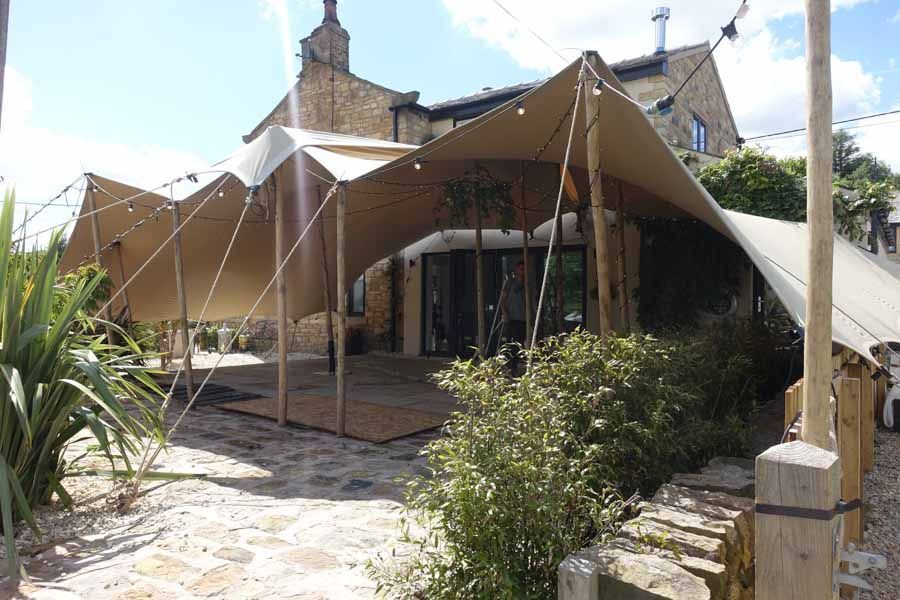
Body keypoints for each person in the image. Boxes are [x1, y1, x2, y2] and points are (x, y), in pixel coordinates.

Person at [499, 260, 529, 373]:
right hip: (512, 317)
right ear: (516, 270)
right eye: (521, 269)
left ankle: (515, 365)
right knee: (512, 343)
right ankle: (510, 366)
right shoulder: (510, 283)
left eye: (524, 269)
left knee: (520, 343)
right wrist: (505, 313)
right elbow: (502, 300)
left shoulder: (527, 284)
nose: (523, 271)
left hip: (523, 317)